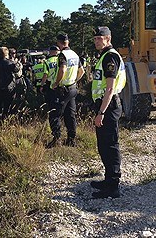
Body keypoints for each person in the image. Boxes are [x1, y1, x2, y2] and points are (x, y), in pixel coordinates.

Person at [89, 26, 126, 198]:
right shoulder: (104, 56)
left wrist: (101, 112)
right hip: (105, 105)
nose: (97, 41)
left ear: (108, 38)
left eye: (100, 38)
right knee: (103, 145)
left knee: (110, 145)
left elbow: (110, 88)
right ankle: (108, 179)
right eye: (95, 38)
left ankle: (113, 186)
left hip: (108, 107)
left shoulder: (110, 57)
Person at [46, 33, 85, 148]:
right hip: (72, 88)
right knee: (70, 114)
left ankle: (56, 139)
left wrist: (56, 83)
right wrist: (74, 80)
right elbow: (82, 71)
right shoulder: (74, 54)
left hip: (63, 89)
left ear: (59, 43)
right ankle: (71, 139)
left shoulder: (62, 55)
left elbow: (62, 70)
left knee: (55, 114)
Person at [0, 47, 21, 126]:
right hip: (9, 88)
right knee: (8, 106)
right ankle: (5, 121)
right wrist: (16, 62)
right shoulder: (10, 63)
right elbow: (17, 70)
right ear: (7, 54)